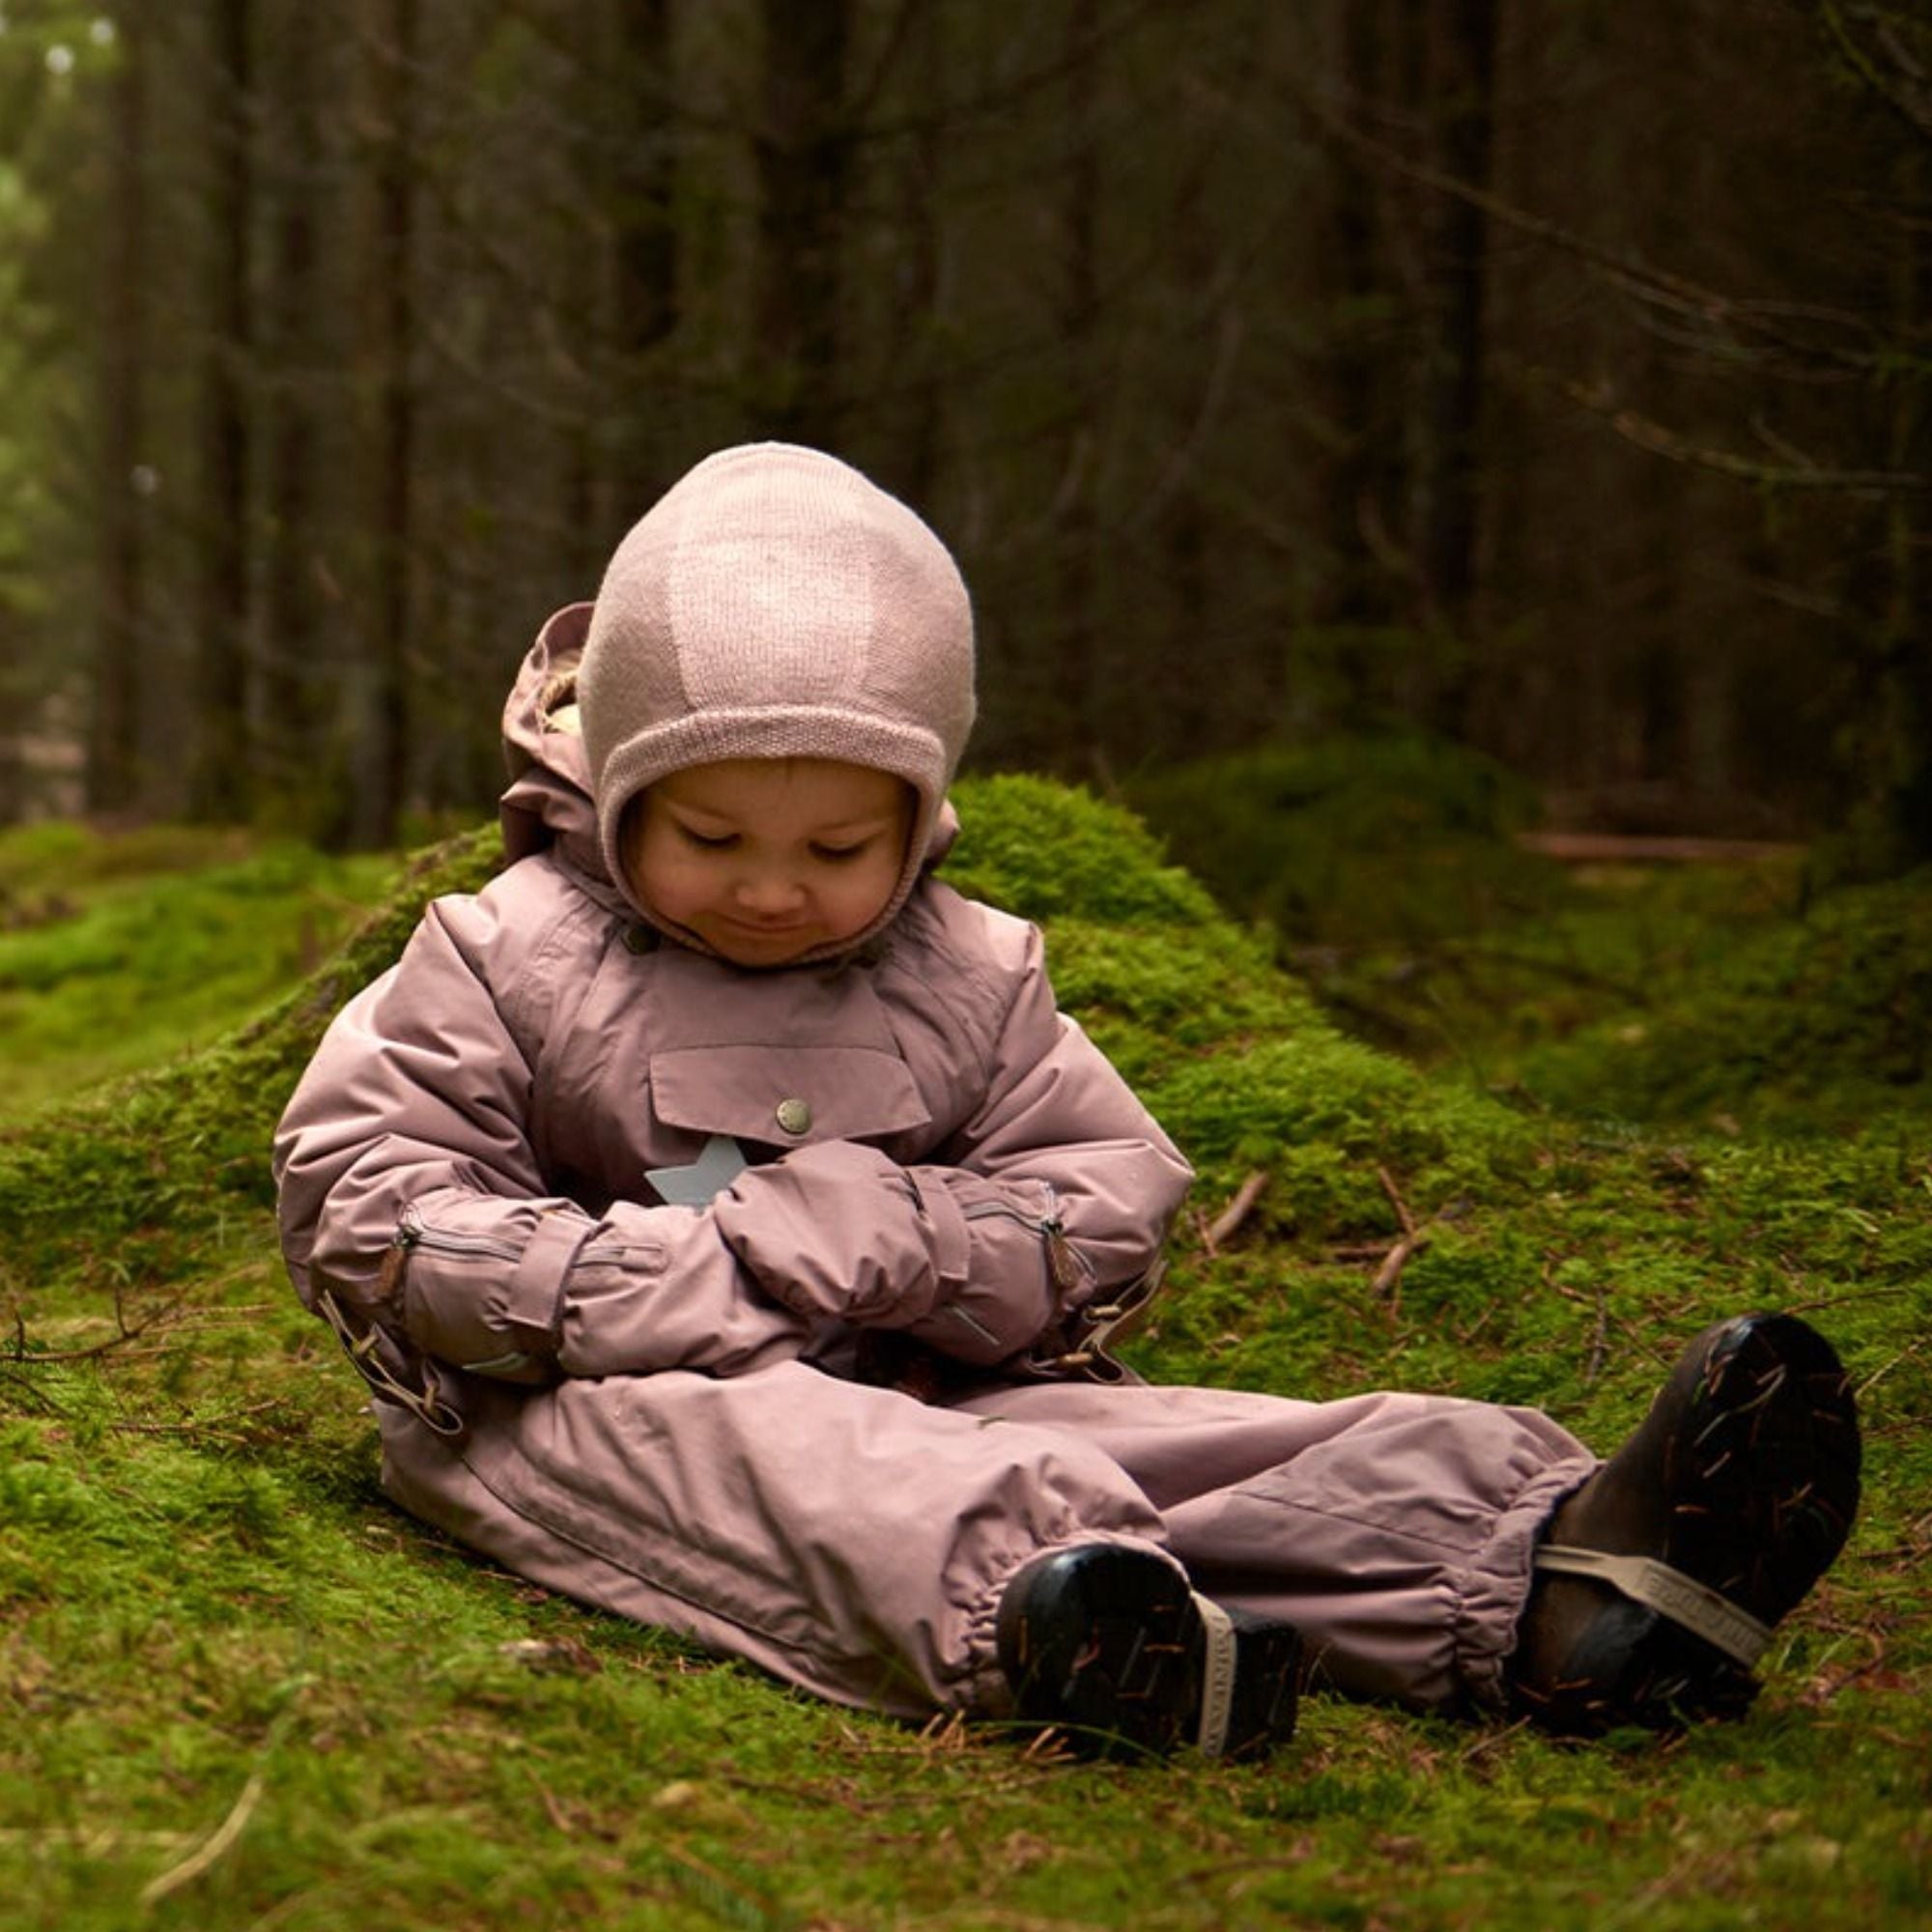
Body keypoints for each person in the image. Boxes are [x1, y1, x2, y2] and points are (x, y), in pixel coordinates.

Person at [273, 442, 1861, 1760]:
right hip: (579, 1399)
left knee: (1174, 1447)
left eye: (836, 851)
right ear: (614, 784)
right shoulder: (506, 953)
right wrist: (652, 1279)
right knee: (796, 1465)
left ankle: (1560, 1570)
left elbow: (1101, 1193)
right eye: (709, 837)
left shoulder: (969, 972)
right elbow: (364, 1183)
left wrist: (907, 1239)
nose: (770, 892)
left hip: (935, 1379)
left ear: (925, 810)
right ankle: (1068, 1626)